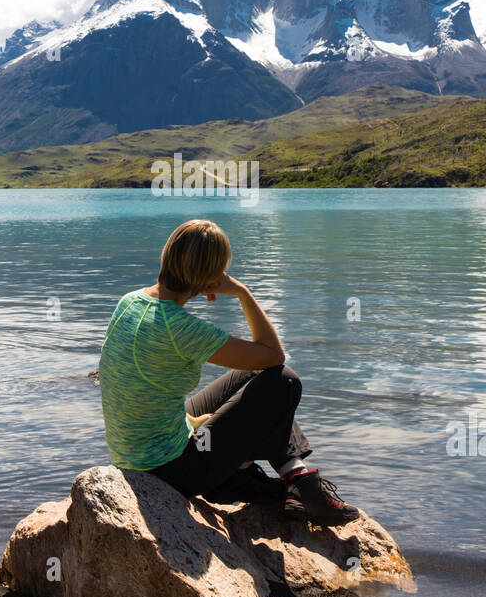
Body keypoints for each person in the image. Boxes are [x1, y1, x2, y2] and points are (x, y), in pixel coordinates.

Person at [98, 218, 358, 525]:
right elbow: (273, 356)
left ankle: (282, 478)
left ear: (168, 255)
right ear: (211, 277)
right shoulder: (181, 329)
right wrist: (242, 292)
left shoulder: (129, 302)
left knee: (248, 376)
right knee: (283, 382)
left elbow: (137, 391)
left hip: (136, 455)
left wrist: (194, 422)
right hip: (170, 469)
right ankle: (298, 487)